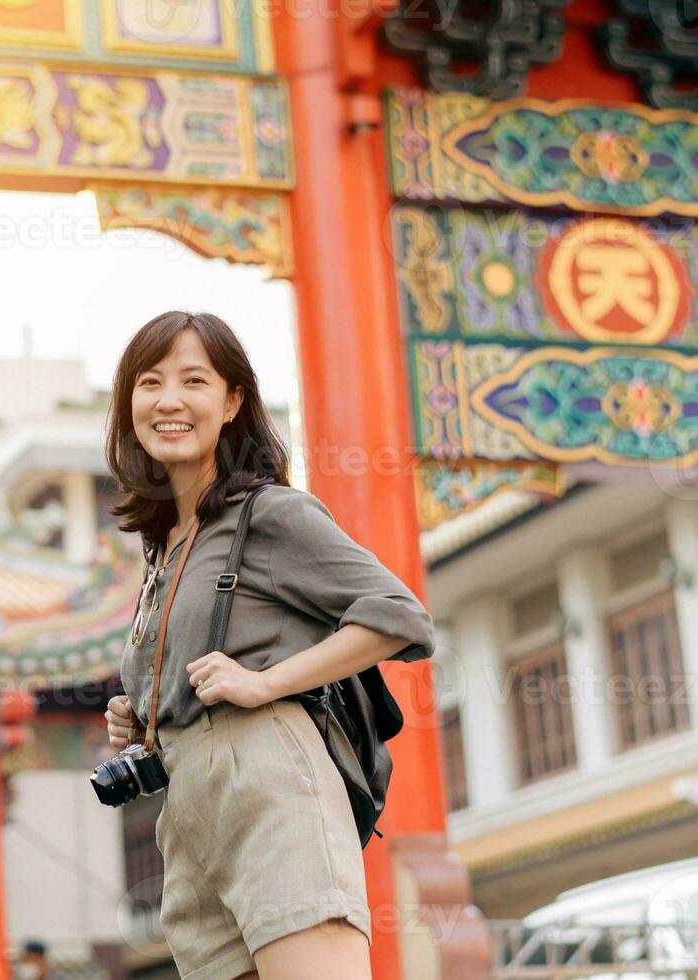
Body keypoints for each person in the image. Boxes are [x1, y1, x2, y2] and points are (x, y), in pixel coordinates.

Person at [100, 312, 435, 980]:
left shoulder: (269, 514)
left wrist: (265, 682)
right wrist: (142, 715)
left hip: (268, 783)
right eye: (149, 382)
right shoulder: (163, 545)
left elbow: (402, 618)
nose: (167, 399)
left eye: (193, 380)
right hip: (187, 812)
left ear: (231, 403)